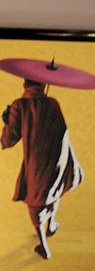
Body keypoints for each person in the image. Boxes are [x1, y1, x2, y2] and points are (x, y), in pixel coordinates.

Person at [1, 79, 84, 260]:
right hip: (57, 161)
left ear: (25, 85)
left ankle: (44, 246)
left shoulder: (19, 106)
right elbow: (62, 133)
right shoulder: (52, 103)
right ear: (43, 85)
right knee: (53, 193)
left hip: (36, 165)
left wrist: (7, 121)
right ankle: (51, 224)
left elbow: (8, 140)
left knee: (35, 203)